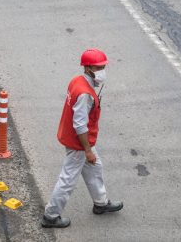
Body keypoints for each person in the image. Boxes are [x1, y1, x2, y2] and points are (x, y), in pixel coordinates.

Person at [42, 48, 123, 228]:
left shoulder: (77, 81)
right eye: (98, 67)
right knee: (68, 179)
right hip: (78, 143)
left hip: (77, 139)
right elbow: (80, 125)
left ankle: (101, 203)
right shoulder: (85, 94)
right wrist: (87, 150)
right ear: (87, 68)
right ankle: (51, 215)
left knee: (95, 167)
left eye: (103, 67)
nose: (102, 71)